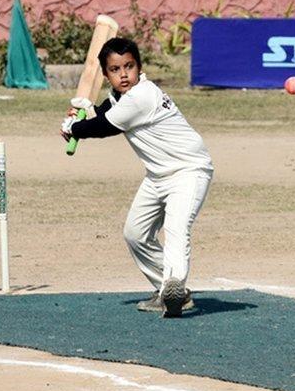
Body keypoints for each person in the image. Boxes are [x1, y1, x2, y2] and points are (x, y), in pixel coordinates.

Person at [61, 37, 213, 317]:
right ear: (106, 75)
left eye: (129, 67)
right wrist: (83, 114)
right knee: (135, 234)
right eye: (116, 69)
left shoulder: (143, 95)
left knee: (176, 227)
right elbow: (106, 110)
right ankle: (168, 290)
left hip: (189, 170)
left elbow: (105, 126)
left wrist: (76, 128)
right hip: (158, 175)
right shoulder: (121, 98)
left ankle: (175, 283)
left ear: (139, 68)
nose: (123, 74)